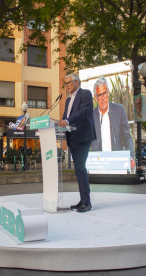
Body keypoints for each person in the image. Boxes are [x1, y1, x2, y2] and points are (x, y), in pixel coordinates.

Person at [58, 73, 96, 213]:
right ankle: (83, 200)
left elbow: (84, 112)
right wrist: (60, 122)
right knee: (78, 169)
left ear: (77, 82)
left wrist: (67, 121)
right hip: (72, 136)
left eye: (68, 83)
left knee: (80, 167)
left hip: (83, 135)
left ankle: (87, 202)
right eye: (65, 83)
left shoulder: (85, 94)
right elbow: (65, 117)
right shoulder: (68, 100)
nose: (66, 85)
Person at [90, 77, 135, 170]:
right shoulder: (90, 115)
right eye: (99, 95)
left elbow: (127, 136)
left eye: (104, 93)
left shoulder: (119, 110)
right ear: (95, 97)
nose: (103, 98)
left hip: (117, 163)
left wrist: (130, 157)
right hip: (98, 165)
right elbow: (86, 142)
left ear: (108, 92)